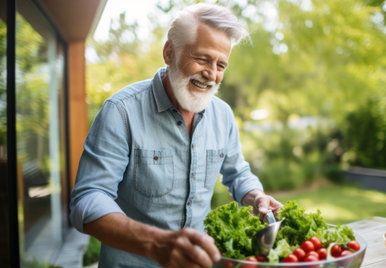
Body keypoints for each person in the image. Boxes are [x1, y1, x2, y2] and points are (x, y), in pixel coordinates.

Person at [70, 3, 282, 268]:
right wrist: (156, 243)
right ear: (169, 52)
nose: (211, 74)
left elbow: (237, 172)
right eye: (203, 59)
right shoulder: (121, 112)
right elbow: (87, 199)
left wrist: (256, 196)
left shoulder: (223, 115)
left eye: (220, 64)